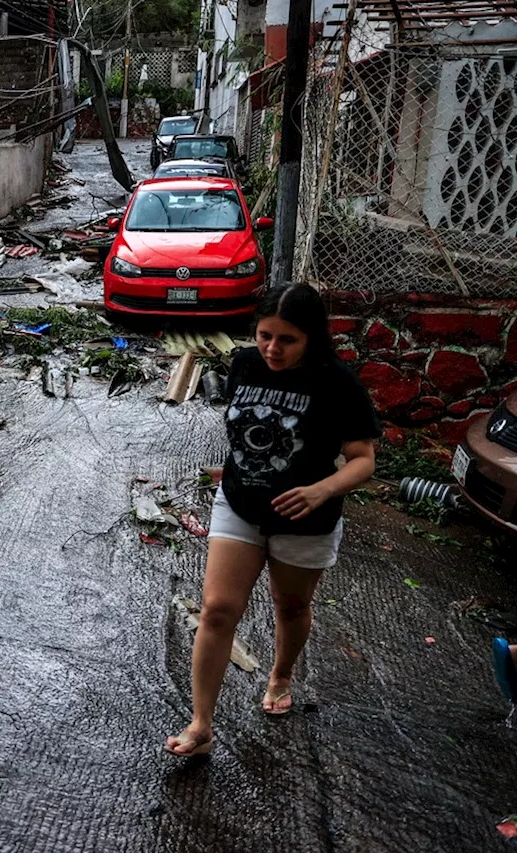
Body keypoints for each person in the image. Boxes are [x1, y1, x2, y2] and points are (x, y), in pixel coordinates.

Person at [165, 283, 381, 756]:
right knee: (219, 609)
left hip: (306, 518)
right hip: (240, 505)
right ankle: (201, 725)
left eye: (287, 340)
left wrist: (323, 489)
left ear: (311, 338)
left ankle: (280, 675)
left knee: (291, 607)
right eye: (265, 335)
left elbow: (363, 458)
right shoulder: (243, 363)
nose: (272, 348)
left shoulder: (336, 382)